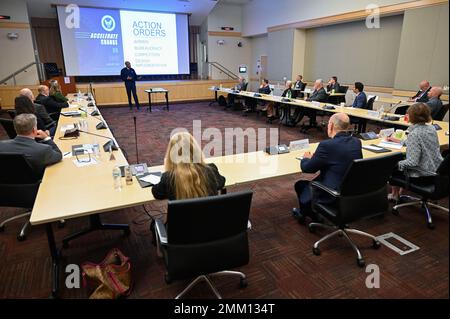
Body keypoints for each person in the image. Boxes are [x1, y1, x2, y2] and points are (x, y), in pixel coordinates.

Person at [292, 113, 362, 223]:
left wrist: (306, 158)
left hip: (333, 193)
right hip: (351, 191)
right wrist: (319, 157)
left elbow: (308, 169)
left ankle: (305, 214)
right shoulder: (357, 142)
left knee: (300, 184)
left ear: (331, 126)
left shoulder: (327, 145)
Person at [388, 103, 443, 202]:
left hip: (422, 176)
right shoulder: (431, 128)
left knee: (392, 164)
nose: (406, 115)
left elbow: (413, 163)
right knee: (400, 161)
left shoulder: (415, 133)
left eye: (408, 114)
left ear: (413, 116)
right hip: (436, 171)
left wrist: (394, 164)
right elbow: (419, 143)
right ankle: (398, 193)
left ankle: (395, 195)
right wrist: (399, 141)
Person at [152, 132, 226, 200]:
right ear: (195, 150)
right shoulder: (211, 170)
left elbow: (157, 194)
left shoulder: (168, 178)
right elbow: (221, 182)